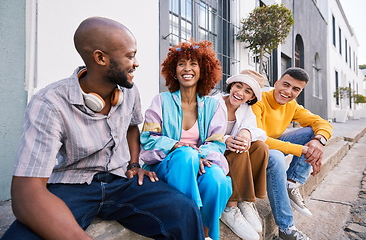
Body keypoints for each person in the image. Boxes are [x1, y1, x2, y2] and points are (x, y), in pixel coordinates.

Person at [1, 17, 205, 240]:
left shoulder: (129, 90)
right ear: (100, 58)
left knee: (185, 211)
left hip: (121, 181)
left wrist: (134, 164)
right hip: (71, 186)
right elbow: (26, 195)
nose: (136, 63)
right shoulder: (49, 103)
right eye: (130, 56)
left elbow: (131, 127)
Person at [140, 40, 232, 240]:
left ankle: (206, 236)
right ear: (174, 70)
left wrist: (198, 154)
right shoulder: (161, 101)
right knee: (185, 155)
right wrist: (176, 145)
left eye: (194, 64)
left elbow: (217, 144)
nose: (187, 69)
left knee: (216, 180)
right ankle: (187, 231)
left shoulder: (212, 106)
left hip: (198, 164)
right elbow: (147, 139)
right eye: (181, 63)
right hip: (164, 167)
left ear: (203, 70)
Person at [251, 67, 333, 240]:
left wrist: (319, 142)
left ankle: (291, 182)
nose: (288, 92)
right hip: (253, 149)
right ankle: (287, 229)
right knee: (277, 157)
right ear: (276, 83)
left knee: (312, 133)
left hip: (273, 144)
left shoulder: (292, 105)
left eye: (296, 89)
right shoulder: (258, 100)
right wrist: (302, 150)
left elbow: (322, 123)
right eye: (286, 85)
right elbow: (258, 138)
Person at [213, 70, 269, 240]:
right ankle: (230, 208)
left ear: (251, 97)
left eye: (247, 91)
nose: (240, 93)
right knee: (240, 149)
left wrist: (246, 133)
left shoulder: (245, 109)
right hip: (214, 152)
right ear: (231, 86)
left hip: (234, 153)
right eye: (238, 86)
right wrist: (225, 139)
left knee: (260, 147)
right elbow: (202, 132)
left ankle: (247, 200)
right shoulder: (214, 103)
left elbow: (260, 133)